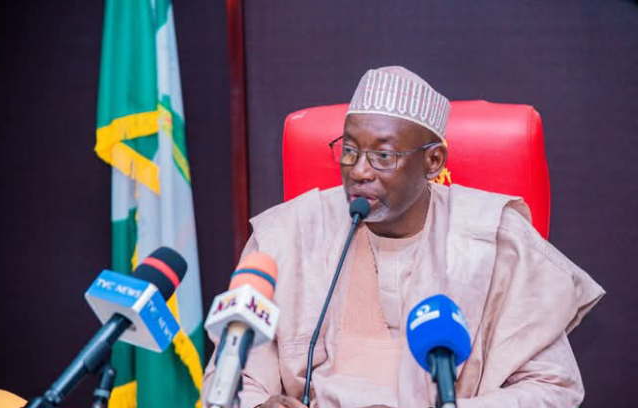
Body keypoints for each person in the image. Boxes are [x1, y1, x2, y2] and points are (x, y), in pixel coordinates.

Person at [202, 66, 605, 408]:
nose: (360, 171)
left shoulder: (496, 238)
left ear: (433, 161)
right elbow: (235, 378)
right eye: (349, 151)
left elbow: (551, 389)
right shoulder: (287, 235)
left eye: (383, 156)